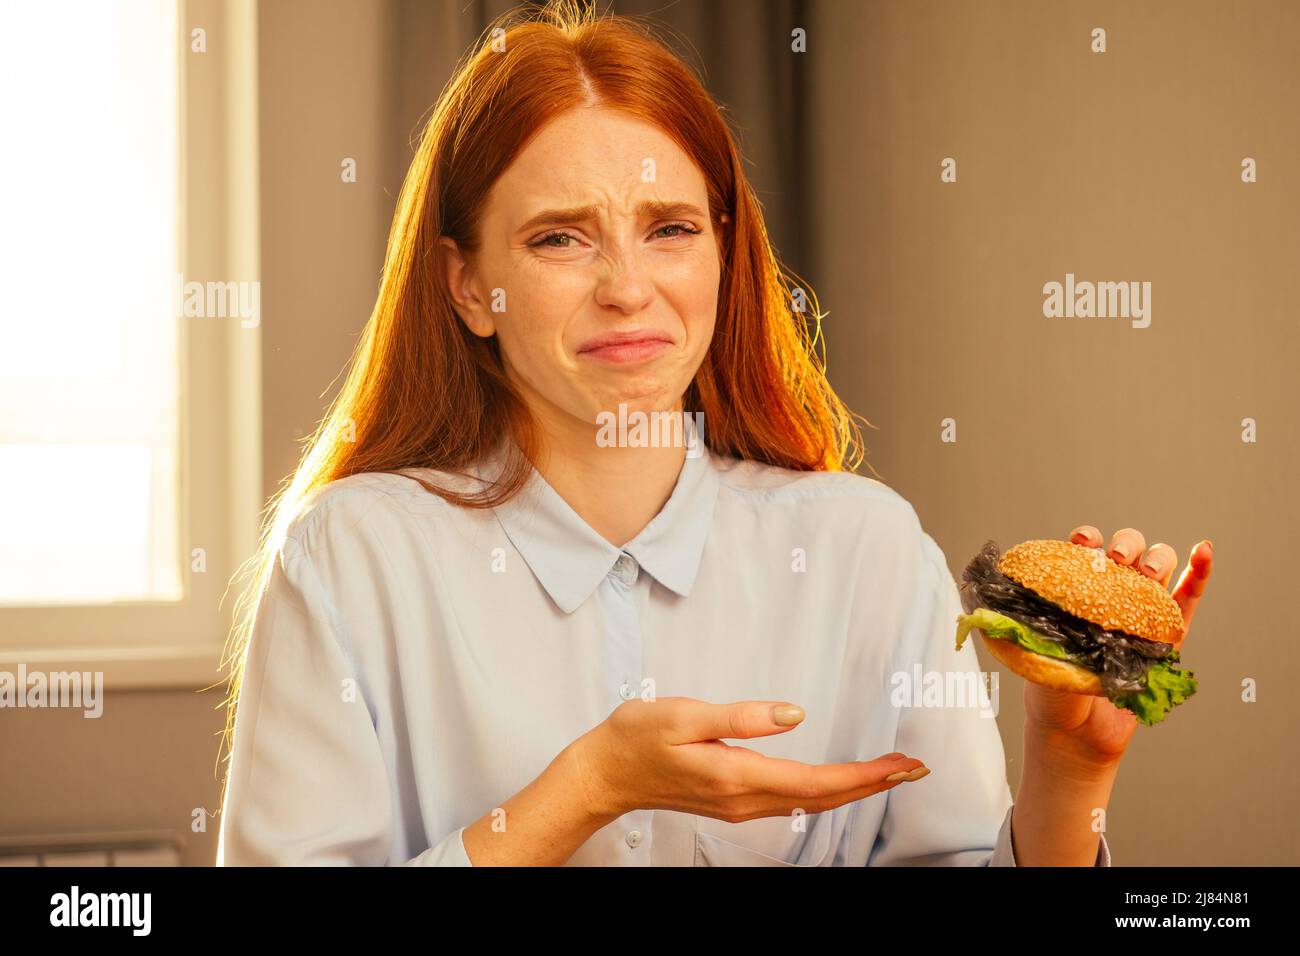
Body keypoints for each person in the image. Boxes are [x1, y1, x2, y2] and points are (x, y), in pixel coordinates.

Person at [216, 0, 1213, 866]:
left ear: (724, 255)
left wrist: (1067, 772)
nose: (627, 287)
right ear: (469, 285)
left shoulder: (865, 548)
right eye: (559, 235)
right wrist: (586, 786)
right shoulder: (350, 555)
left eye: (671, 227)